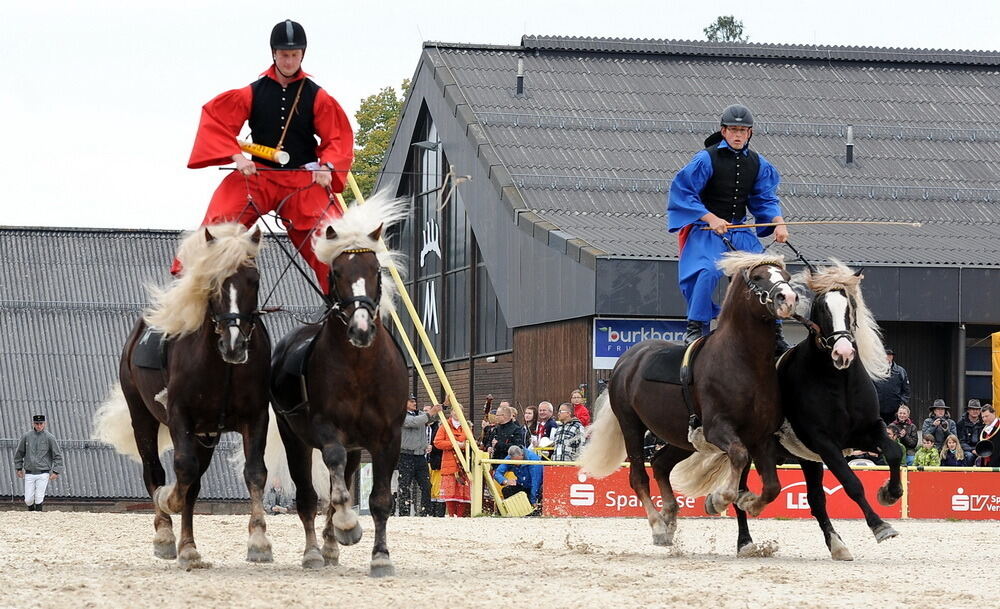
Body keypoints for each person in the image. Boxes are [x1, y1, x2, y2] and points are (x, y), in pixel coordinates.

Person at [174, 19, 354, 293]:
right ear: (273, 54)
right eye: (284, 54)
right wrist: (237, 157)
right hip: (256, 176)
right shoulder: (251, 93)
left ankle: (343, 305)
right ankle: (183, 290)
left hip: (301, 181)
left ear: (302, 55)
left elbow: (338, 137)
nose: (290, 60)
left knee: (334, 238)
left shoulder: (319, 97)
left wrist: (328, 166)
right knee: (216, 226)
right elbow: (215, 119)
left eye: (295, 55)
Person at [667, 104, 790, 348]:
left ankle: (775, 332)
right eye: (733, 129)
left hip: (739, 231)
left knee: (769, 271)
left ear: (750, 133)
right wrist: (710, 218)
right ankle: (695, 328)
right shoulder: (705, 159)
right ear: (723, 131)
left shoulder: (758, 163)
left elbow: (765, 198)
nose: (737, 134)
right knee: (706, 273)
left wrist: (778, 223)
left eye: (742, 130)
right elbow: (683, 192)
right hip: (706, 231)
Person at [398, 395, 441, 516]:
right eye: (411, 401)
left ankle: (425, 512)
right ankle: (404, 513)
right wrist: (430, 412)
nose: (414, 403)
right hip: (405, 456)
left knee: (426, 485)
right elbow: (414, 422)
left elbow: (433, 417)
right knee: (405, 486)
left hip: (420, 456)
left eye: (414, 401)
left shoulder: (421, 415)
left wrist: (445, 405)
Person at [14, 414, 64, 511]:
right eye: (37, 423)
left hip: (43, 472)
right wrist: (18, 468)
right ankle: (31, 510)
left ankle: (38, 515)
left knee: (39, 497)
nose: (39, 426)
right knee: (28, 499)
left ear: (44, 424)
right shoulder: (26, 436)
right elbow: (19, 453)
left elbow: (57, 455)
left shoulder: (50, 438)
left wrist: (56, 471)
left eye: (41, 423)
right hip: (29, 472)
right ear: (33, 423)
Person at [433, 410, 471, 517]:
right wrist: (454, 444)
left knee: (462, 491)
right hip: (449, 462)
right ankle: (451, 514)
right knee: (450, 492)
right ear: (451, 412)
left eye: (459, 410)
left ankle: (460, 515)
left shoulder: (466, 427)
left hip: (463, 463)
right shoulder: (445, 426)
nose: (457, 413)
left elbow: (471, 441)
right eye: (454, 410)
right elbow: (437, 442)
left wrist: (464, 444)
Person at [874, 348, 911, 425]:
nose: (887, 357)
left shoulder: (900, 371)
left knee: (895, 433)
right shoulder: (875, 371)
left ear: (892, 357)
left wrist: (901, 404)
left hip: (895, 411)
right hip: (878, 410)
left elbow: (906, 391)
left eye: (889, 355)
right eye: (885, 355)